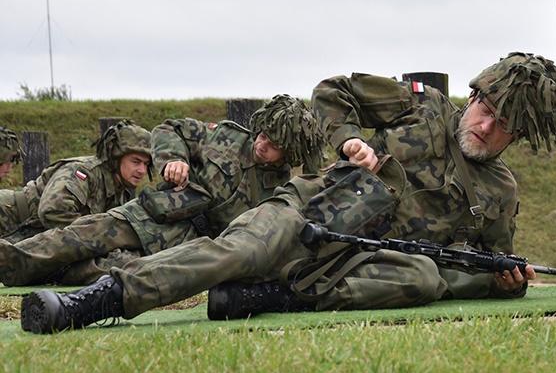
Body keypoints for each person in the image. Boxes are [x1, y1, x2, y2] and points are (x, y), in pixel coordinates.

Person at [21, 52, 556, 334]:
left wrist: (506, 283)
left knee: (428, 277)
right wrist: (350, 139)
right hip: (313, 210)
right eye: (484, 110)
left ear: (519, 136)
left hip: (362, 262)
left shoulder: (500, 191)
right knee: (239, 252)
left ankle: (278, 297)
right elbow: (333, 91)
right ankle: (96, 301)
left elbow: (484, 261)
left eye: (503, 125)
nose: (485, 127)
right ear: (473, 96)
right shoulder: (421, 106)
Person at [0, 95, 323, 287]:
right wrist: (174, 159)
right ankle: (10, 261)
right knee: (82, 234)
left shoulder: (281, 190)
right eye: (263, 135)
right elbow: (170, 129)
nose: (262, 145)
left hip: (185, 245)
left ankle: (49, 272)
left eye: (274, 145)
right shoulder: (226, 137)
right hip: (156, 212)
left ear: (290, 152)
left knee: (111, 269)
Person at [0, 120, 151, 245]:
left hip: (26, 232)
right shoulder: (84, 173)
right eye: (135, 162)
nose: (142, 170)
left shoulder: (120, 192)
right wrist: (100, 235)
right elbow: (52, 212)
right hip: (8, 216)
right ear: (117, 158)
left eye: (146, 164)